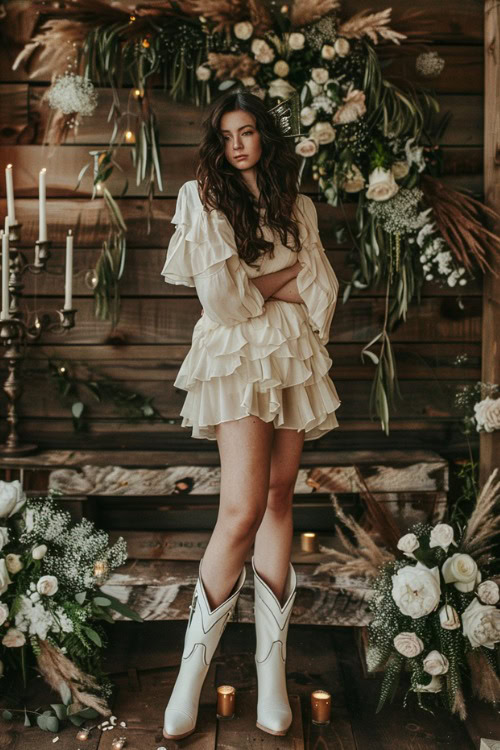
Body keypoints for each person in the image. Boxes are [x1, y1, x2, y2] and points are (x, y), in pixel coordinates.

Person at [160, 89, 341, 741]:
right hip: (237, 355)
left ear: (265, 136)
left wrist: (267, 285)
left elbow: (320, 292)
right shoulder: (202, 198)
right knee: (239, 509)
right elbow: (223, 300)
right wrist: (276, 282)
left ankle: (272, 676)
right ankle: (188, 681)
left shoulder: (299, 206)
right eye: (227, 134)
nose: (238, 143)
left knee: (278, 497)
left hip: (291, 351)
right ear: (217, 140)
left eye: (248, 132)